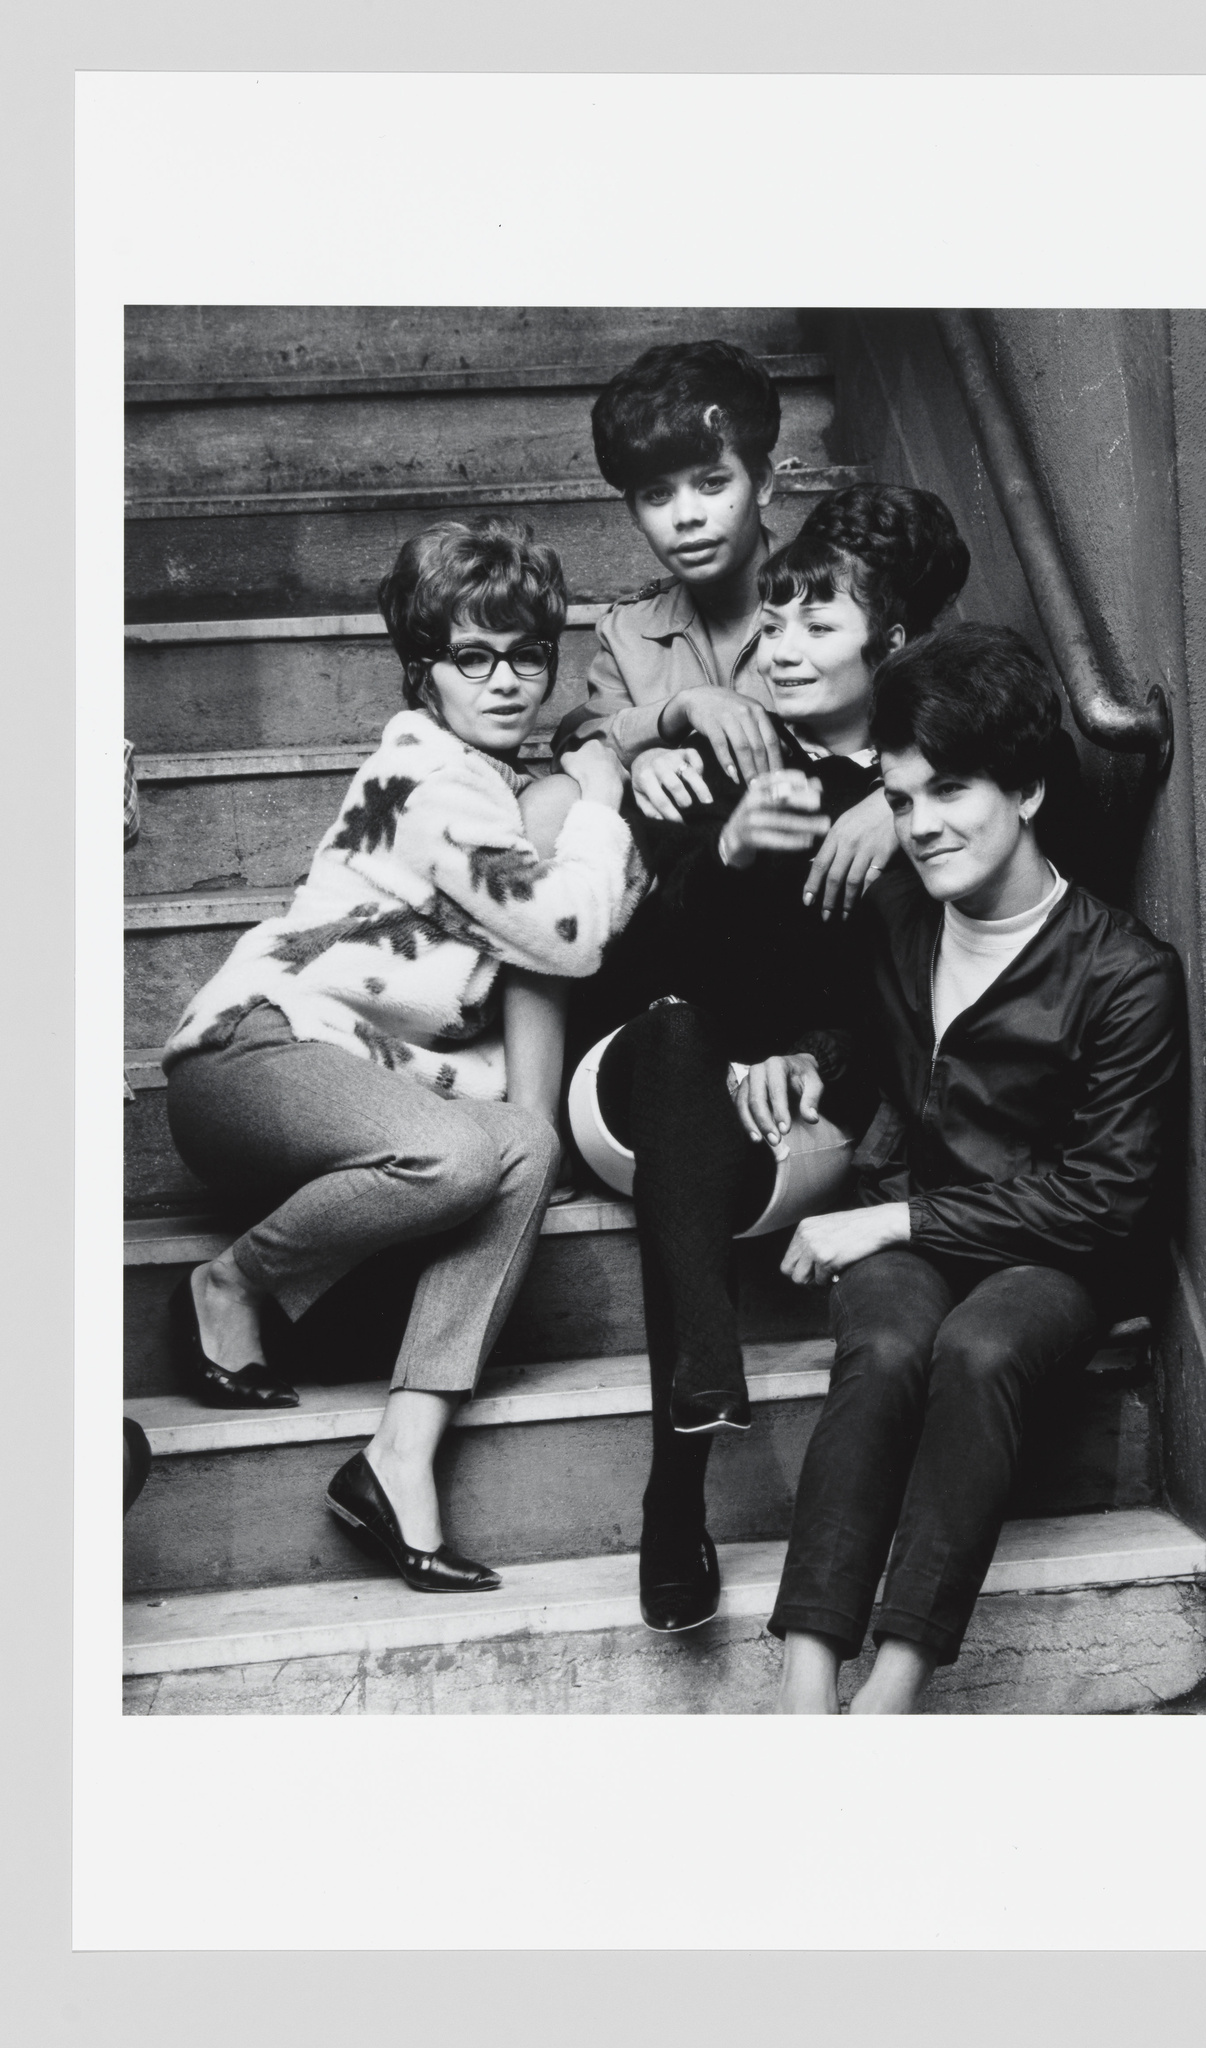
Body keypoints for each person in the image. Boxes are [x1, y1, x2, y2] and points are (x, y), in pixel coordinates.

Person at [161, 517, 644, 1593]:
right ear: (424, 671)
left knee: (522, 1140)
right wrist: (602, 801)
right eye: (474, 656)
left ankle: (401, 1451)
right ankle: (233, 1281)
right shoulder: (434, 779)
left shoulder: (483, 777)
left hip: (352, 1077)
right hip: (252, 1053)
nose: (508, 681)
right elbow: (569, 933)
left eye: (529, 653)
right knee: (456, 1156)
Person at [554, 483, 970, 1633]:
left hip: (783, 1134)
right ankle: (679, 1465)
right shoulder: (725, 753)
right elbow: (635, 971)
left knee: (720, 1077)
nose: (776, 650)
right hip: (636, 1088)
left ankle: (690, 1414)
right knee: (683, 1024)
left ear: (890, 643)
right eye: (770, 623)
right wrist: (726, 851)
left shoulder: (930, 793)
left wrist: (894, 806)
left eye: (810, 626)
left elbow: (890, 1008)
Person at [768, 623, 1186, 1711]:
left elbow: (1105, 1197)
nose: (919, 825)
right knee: (889, 1335)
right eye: (901, 798)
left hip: (1051, 1249)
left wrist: (891, 1222)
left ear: (1028, 789)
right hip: (915, 1224)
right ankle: (804, 1690)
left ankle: (891, 1689)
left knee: (980, 1344)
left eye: (948, 791)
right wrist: (805, 1063)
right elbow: (865, 1042)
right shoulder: (899, 917)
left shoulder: (1122, 972)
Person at [558, 338, 900, 921]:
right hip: (695, 899)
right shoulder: (630, 630)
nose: (687, 516)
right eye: (657, 494)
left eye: (712, 483)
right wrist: (660, 733)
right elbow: (581, 735)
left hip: (831, 896)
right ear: (633, 512)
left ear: (762, 482)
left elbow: (962, 709)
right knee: (557, 800)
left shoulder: (839, 598)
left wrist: (895, 806)